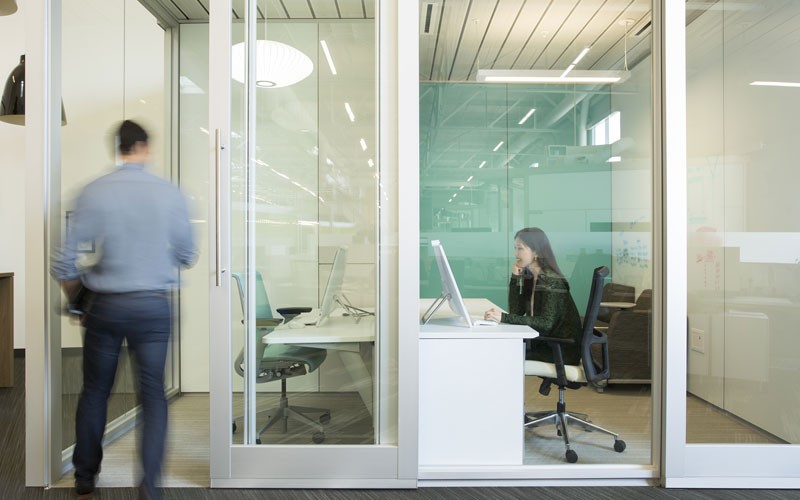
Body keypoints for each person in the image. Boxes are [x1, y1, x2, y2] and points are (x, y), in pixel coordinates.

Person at [51, 120, 198, 500]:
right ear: (144, 148)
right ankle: (150, 486)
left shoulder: (92, 192)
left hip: (106, 307)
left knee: (95, 390)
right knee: (152, 396)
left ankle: (85, 478)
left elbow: (64, 263)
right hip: (153, 308)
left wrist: (77, 301)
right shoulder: (170, 193)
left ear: (118, 148)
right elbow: (187, 254)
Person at [484, 227, 583, 364]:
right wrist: (515, 278)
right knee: (495, 350)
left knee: (498, 353)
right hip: (544, 344)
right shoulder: (531, 277)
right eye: (515, 248)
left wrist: (503, 317)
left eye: (520, 248)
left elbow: (546, 323)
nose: (515, 253)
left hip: (560, 350)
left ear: (536, 251)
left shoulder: (550, 280)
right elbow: (516, 311)